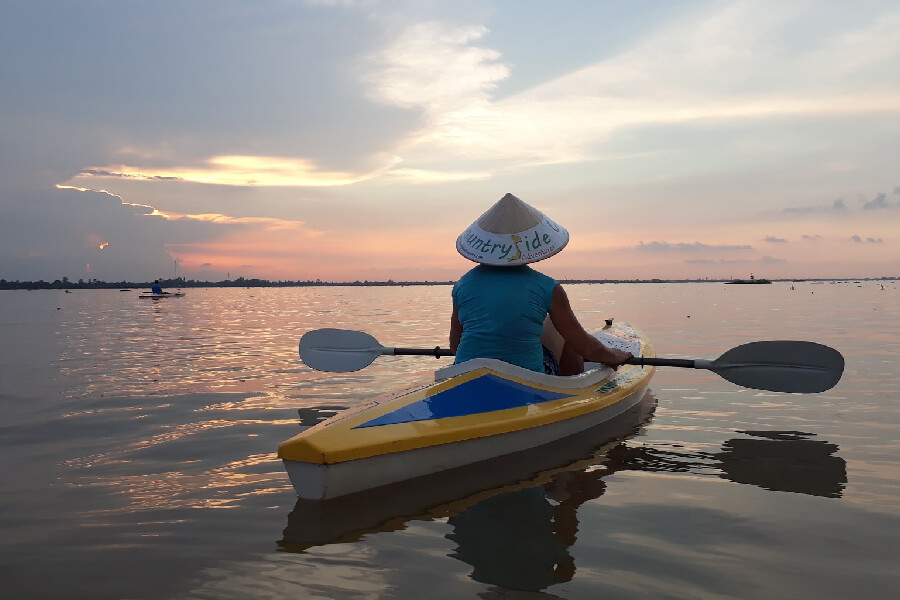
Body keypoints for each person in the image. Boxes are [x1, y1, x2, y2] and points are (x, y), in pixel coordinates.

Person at [449, 193, 632, 376]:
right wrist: (612, 355)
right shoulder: (547, 287)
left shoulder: (462, 285)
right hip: (528, 377)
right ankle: (570, 390)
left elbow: (455, 346)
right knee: (567, 336)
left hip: (466, 372)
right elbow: (585, 348)